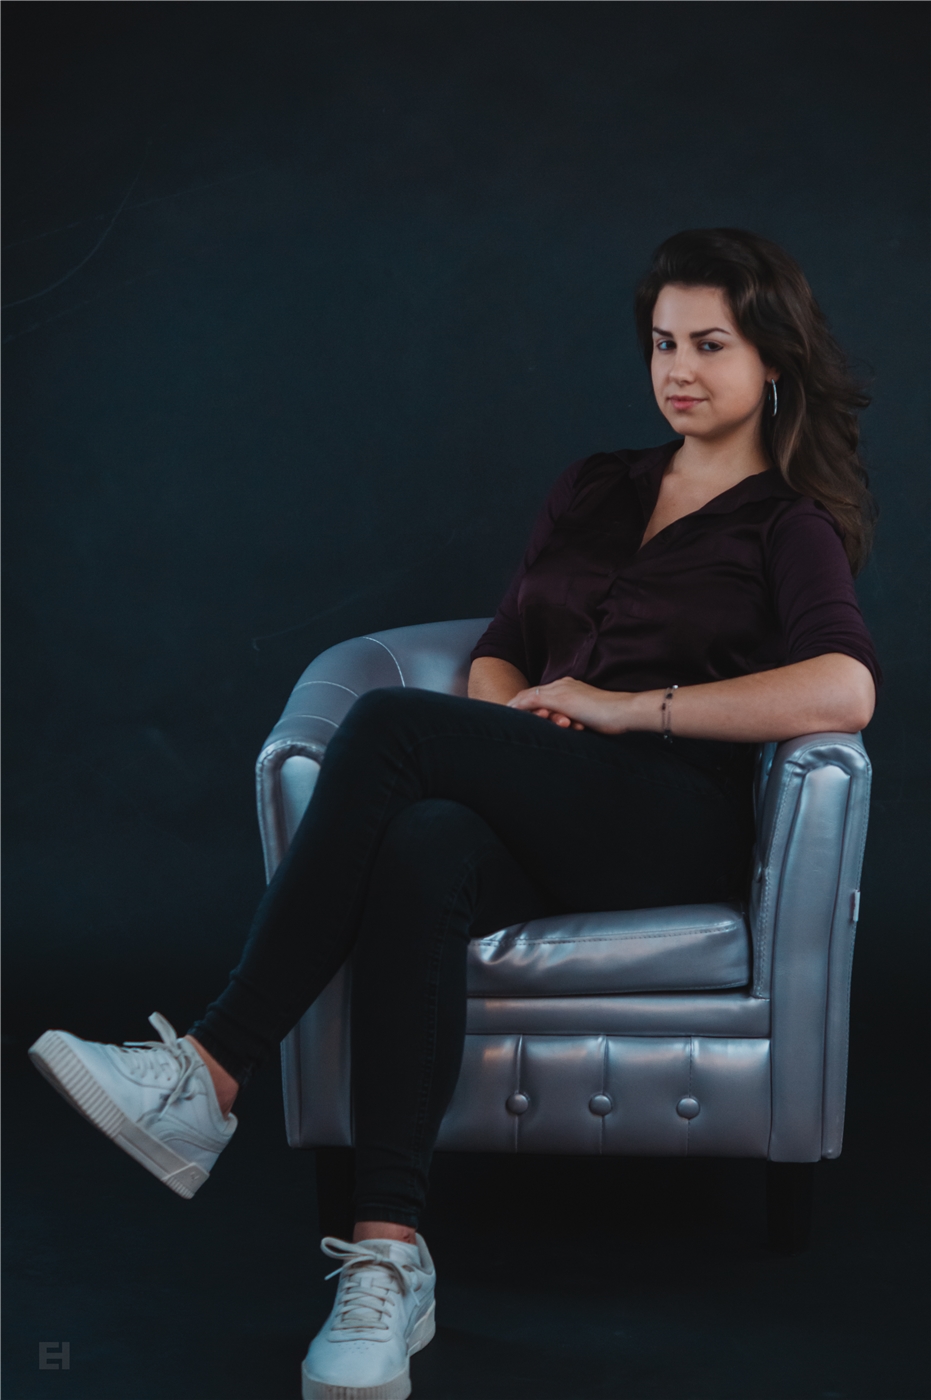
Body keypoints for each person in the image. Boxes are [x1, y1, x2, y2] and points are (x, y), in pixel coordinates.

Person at [29, 227, 880, 1400]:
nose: (677, 369)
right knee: (424, 844)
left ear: (771, 360)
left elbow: (844, 687)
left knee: (390, 727)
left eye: (709, 345)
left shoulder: (785, 524)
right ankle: (388, 1258)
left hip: (668, 821)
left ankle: (210, 1068)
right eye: (660, 343)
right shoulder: (594, 485)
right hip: (554, 794)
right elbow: (502, 647)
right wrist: (509, 740)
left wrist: (627, 710)